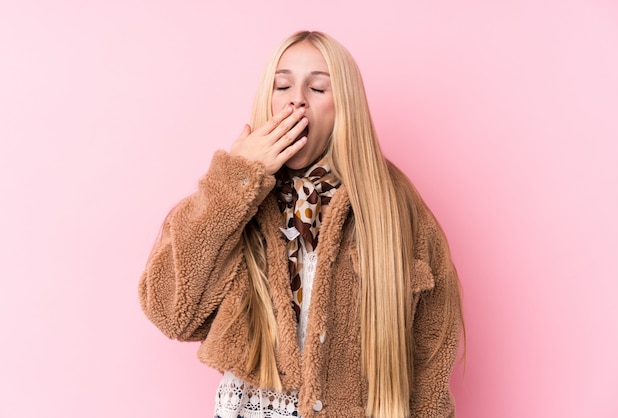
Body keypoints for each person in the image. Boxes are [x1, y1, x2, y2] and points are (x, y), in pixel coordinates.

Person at [139, 30, 464, 418]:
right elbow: (171, 312)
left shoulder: (396, 208)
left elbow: (433, 349)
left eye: (319, 88)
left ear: (344, 107)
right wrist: (238, 177)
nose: (296, 98)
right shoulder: (235, 197)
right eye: (283, 85)